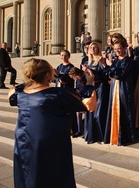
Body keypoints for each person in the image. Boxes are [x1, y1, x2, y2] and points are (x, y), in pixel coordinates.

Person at [9, 58, 95, 188]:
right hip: (50, 142)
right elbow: (87, 105)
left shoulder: (20, 94)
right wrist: (89, 83)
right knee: (52, 175)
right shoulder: (58, 94)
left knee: (27, 173)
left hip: (23, 140)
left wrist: (27, 83)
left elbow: (13, 95)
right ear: (48, 75)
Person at [104, 39, 136, 145]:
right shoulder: (116, 60)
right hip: (115, 88)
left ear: (124, 48)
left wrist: (111, 69)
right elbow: (108, 73)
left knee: (125, 111)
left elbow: (120, 75)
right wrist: (110, 69)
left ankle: (127, 136)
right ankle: (115, 135)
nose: (117, 51)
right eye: (115, 49)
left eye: (119, 48)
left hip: (124, 88)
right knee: (115, 110)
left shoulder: (127, 60)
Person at [82, 42, 110, 144]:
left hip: (101, 87)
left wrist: (93, 72)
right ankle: (91, 134)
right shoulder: (88, 61)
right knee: (91, 110)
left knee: (99, 111)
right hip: (91, 87)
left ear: (98, 48)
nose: (93, 49)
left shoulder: (101, 60)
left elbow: (105, 75)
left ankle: (101, 135)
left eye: (95, 47)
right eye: (91, 48)